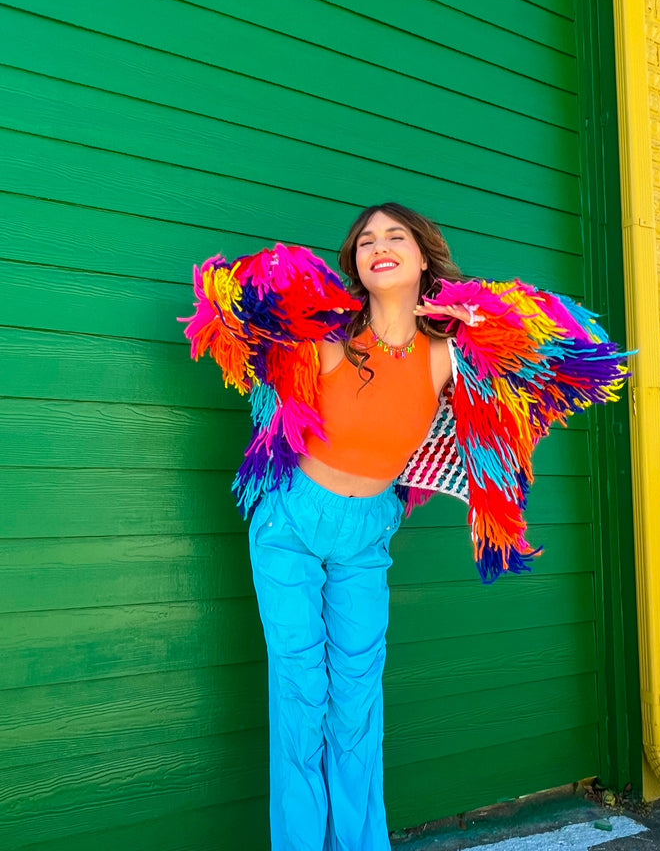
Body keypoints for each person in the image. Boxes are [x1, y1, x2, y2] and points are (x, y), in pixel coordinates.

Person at [183, 203, 628, 851]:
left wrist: (480, 321)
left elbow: (578, 353)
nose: (379, 245)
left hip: (367, 535)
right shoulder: (328, 336)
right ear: (357, 265)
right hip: (291, 523)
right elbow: (237, 305)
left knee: (358, 707)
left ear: (424, 257)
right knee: (301, 701)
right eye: (366, 240)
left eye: (396, 236)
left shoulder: (447, 354)